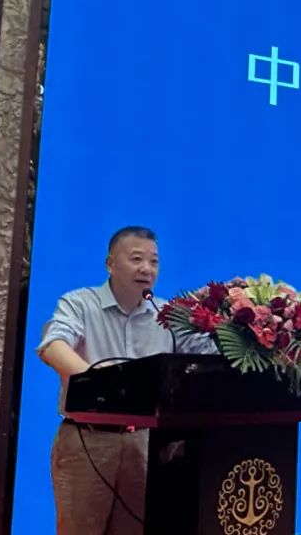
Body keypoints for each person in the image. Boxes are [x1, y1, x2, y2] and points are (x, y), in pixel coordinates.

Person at [38, 225, 211, 535]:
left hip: (146, 444)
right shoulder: (80, 303)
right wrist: (101, 383)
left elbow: (206, 355)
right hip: (88, 440)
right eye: (136, 259)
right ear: (110, 263)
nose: (146, 269)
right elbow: (53, 345)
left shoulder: (167, 314)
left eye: (154, 261)